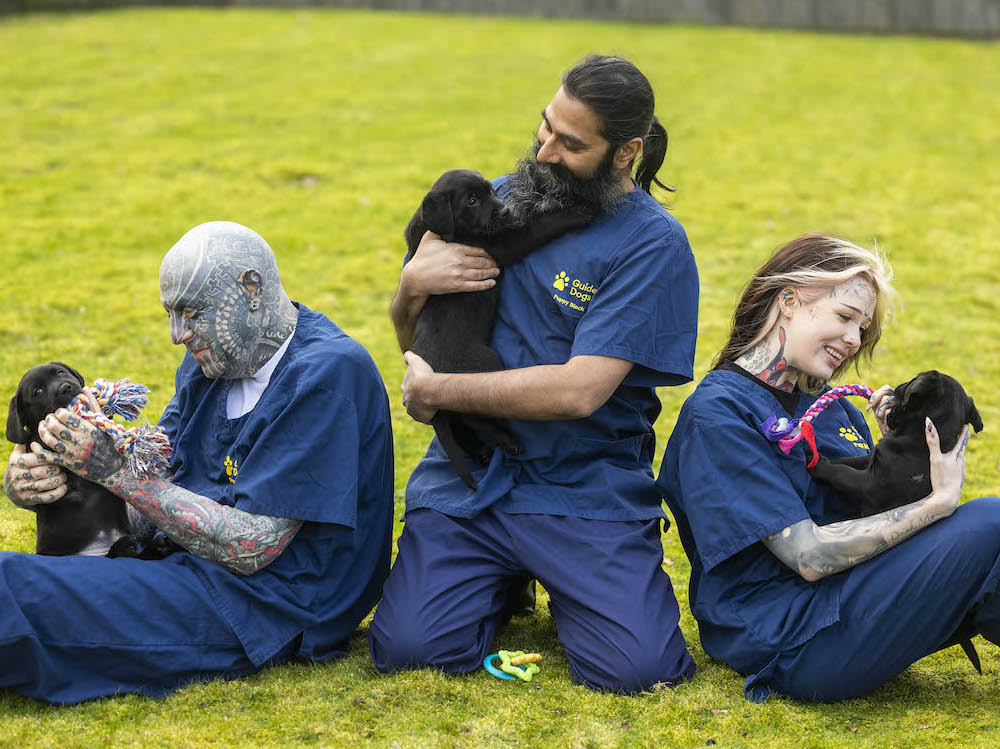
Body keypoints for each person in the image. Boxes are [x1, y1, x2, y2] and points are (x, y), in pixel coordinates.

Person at [370, 55, 700, 693]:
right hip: (472, 480)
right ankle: (499, 579)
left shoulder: (652, 247)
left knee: (638, 671)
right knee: (409, 650)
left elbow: (581, 392)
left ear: (626, 152)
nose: (545, 152)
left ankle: (539, 574)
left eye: (572, 144)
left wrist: (437, 392)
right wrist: (410, 291)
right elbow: (425, 341)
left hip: (582, 485)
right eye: (545, 127)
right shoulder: (493, 200)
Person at [2, 221, 394, 704]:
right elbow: (153, 488)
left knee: (12, 588)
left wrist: (113, 471)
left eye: (191, 312)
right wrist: (47, 483)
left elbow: (253, 548)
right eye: (171, 313)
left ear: (251, 288)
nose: (176, 334)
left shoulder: (327, 375)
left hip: (264, 607)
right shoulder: (214, 362)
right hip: (182, 568)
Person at [656, 233, 997, 702]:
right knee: (992, 521)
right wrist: (937, 504)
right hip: (791, 637)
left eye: (863, 329)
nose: (854, 340)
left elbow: (867, 511)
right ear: (790, 301)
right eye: (845, 318)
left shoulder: (827, 404)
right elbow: (810, 557)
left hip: (851, 599)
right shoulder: (719, 414)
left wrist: (897, 457)